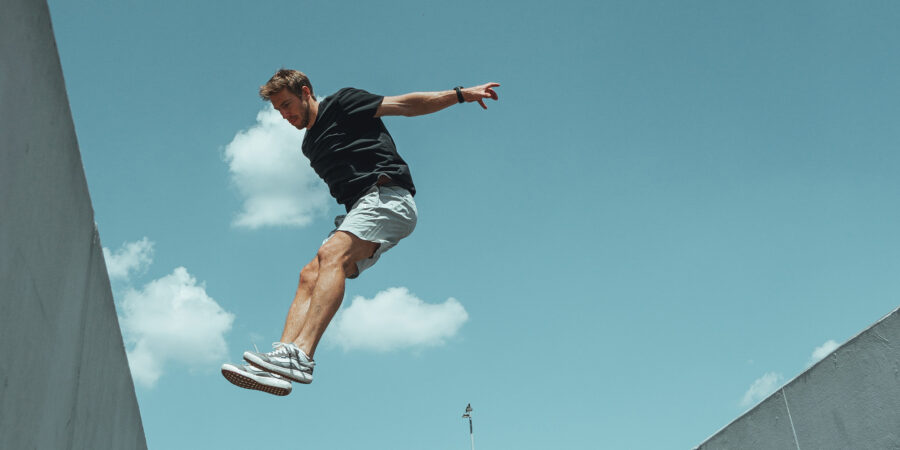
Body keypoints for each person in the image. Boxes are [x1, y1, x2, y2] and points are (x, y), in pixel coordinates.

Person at [222, 69, 500, 396]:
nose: (285, 115)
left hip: (388, 196)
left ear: (306, 91)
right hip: (362, 210)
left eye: (287, 104)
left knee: (331, 256)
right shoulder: (310, 145)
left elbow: (407, 105)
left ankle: (302, 355)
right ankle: (282, 360)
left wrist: (460, 94)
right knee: (309, 274)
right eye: (278, 110)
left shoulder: (342, 104)